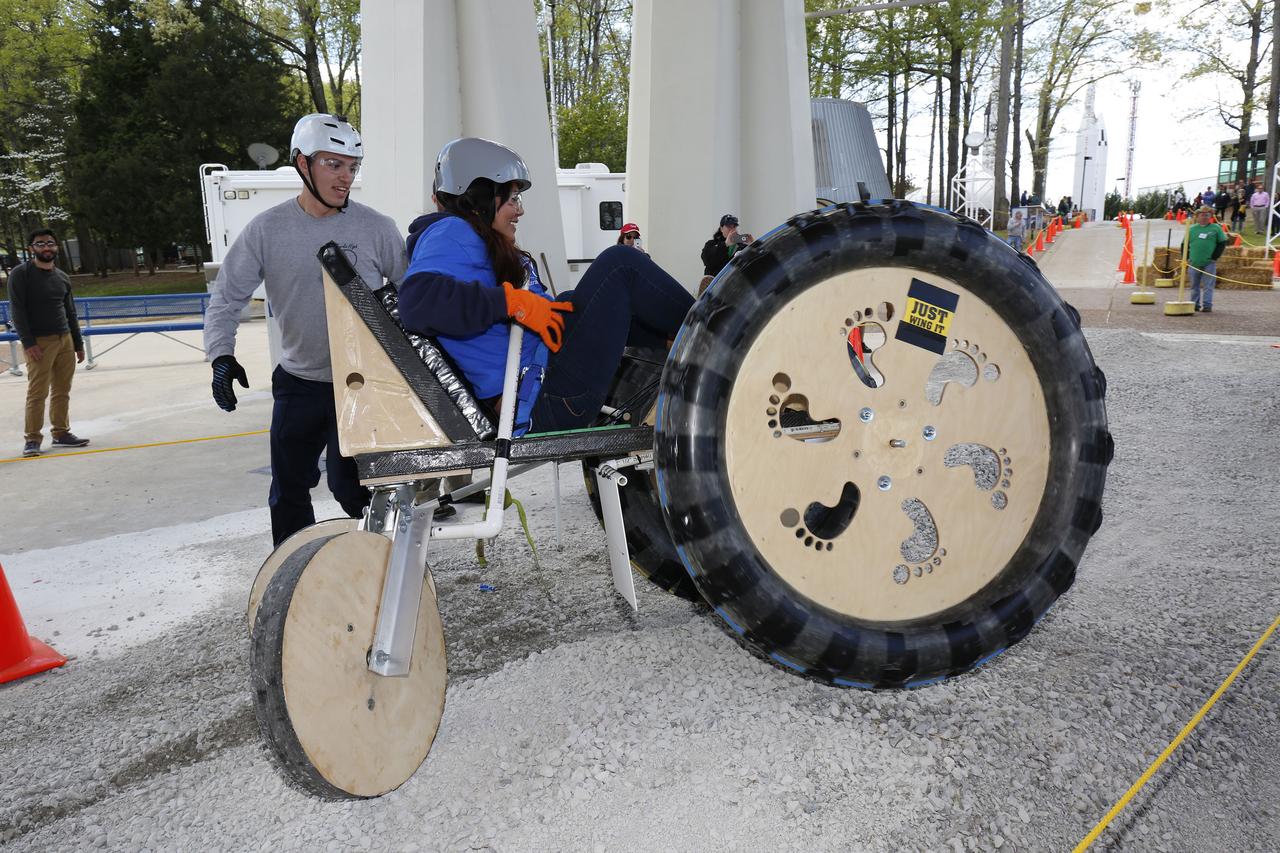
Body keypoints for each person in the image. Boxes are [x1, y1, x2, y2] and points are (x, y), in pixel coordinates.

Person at [398, 137, 694, 435]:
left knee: (568, 302)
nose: (520, 210)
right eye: (512, 198)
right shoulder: (451, 232)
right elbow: (416, 302)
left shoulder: (468, 239)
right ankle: (717, 328)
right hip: (543, 398)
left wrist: (657, 340)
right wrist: (511, 302)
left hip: (541, 389)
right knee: (620, 264)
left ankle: (677, 338)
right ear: (481, 195)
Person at [203, 114, 407, 545]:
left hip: (362, 384)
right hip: (298, 383)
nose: (345, 177)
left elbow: (416, 296)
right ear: (302, 164)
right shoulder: (267, 229)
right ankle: (293, 577)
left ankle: (384, 570)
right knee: (289, 492)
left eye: (352, 167)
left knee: (352, 489)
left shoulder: (377, 228)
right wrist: (221, 355)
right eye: (334, 164)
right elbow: (226, 299)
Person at [9, 228, 90, 458]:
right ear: (31, 249)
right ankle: (32, 439)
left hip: (64, 339)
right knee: (37, 392)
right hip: (39, 342)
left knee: (62, 390)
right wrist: (28, 342)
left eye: (50, 243)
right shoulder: (21, 274)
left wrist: (77, 343)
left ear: (57, 247)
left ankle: (61, 433)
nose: (46, 247)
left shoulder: (62, 277)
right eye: (40, 243)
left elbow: (71, 312)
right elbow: (18, 311)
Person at [1185, 206, 1227, 313]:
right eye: (1202, 215)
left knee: (1208, 285)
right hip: (1194, 262)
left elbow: (1222, 243)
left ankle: (1207, 305)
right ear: (1197, 216)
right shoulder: (1192, 229)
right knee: (1194, 285)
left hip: (1209, 262)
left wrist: (1214, 257)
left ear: (1210, 217)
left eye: (1207, 215)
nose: (1204, 217)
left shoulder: (1216, 228)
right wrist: (1185, 259)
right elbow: (1184, 244)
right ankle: (1194, 305)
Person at [701, 214, 748, 278]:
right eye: (729, 226)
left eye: (734, 226)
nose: (732, 230)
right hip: (715, 285)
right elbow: (707, 260)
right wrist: (725, 244)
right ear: (721, 229)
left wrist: (752, 245)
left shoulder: (742, 246)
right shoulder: (711, 244)